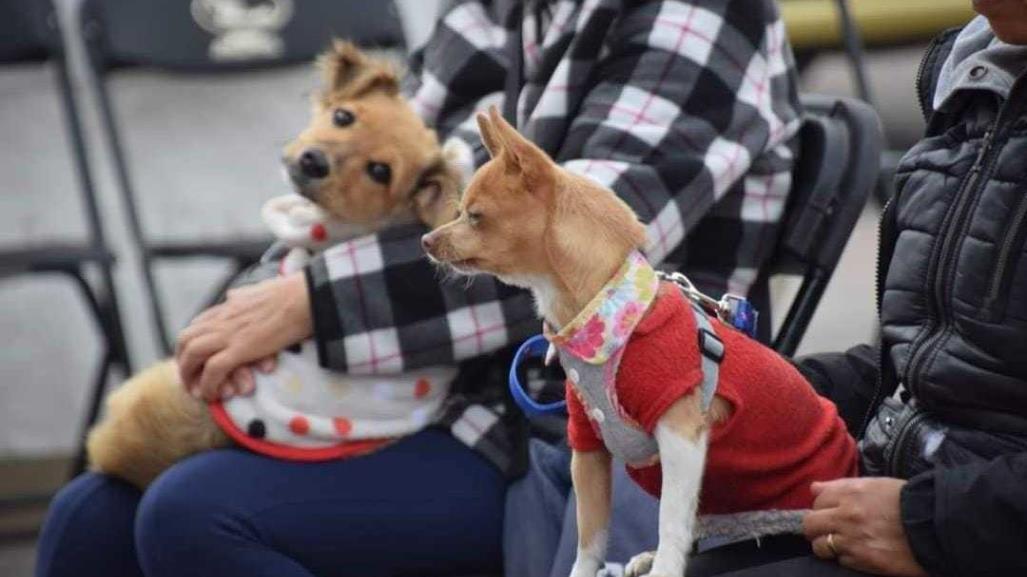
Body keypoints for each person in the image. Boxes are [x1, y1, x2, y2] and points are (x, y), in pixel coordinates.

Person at [36, 1, 801, 576]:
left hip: (552, 431)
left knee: (195, 515)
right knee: (90, 512)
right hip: (424, 390)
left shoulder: (700, 12)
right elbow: (384, 189)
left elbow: (575, 252)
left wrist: (306, 306)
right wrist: (252, 315)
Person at [656, 2, 1027, 576]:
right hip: (892, 495)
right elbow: (921, 367)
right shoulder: (974, 79)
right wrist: (754, 389)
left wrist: (927, 525)